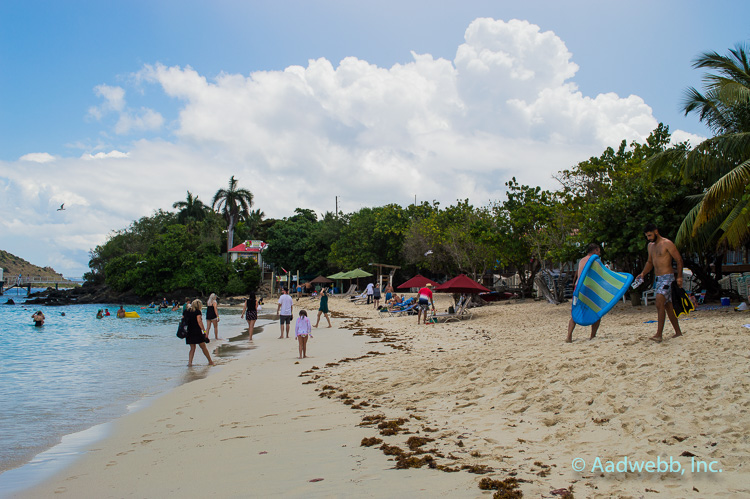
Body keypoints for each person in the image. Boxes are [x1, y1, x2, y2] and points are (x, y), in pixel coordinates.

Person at [636, 223, 684, 342]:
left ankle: (659, 334)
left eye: (650, 235)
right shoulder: (650, 246)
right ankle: (678, 332)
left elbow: (678, 260)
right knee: (668, 306)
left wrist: (679, 277)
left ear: (656, 231)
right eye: (647, 236)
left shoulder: (667, 243)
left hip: (668, 277)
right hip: (658, 278)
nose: (649, 238)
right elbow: (649, 262)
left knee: (659, 302)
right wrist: (643, 273)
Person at [566, 243, 602, 343]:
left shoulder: (582, 260)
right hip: (590, 287)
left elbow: (578, 273)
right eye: (598, 251)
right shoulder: (595, 260)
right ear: (595, 251)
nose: (599, 253)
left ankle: (569, 337)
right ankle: (592, 336)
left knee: (575, 312)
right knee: (596, 311)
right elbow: (599, 274)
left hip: (579, 287)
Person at [183, 299, 213, 366]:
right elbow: (199, 321)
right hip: (196, 331)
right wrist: (204, 331)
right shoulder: (197, 312)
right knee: (203, 347)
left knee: (192, 348)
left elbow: (183, 320)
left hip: (188, 331)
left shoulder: (186, 311)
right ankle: (210, 361)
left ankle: (190, 363)